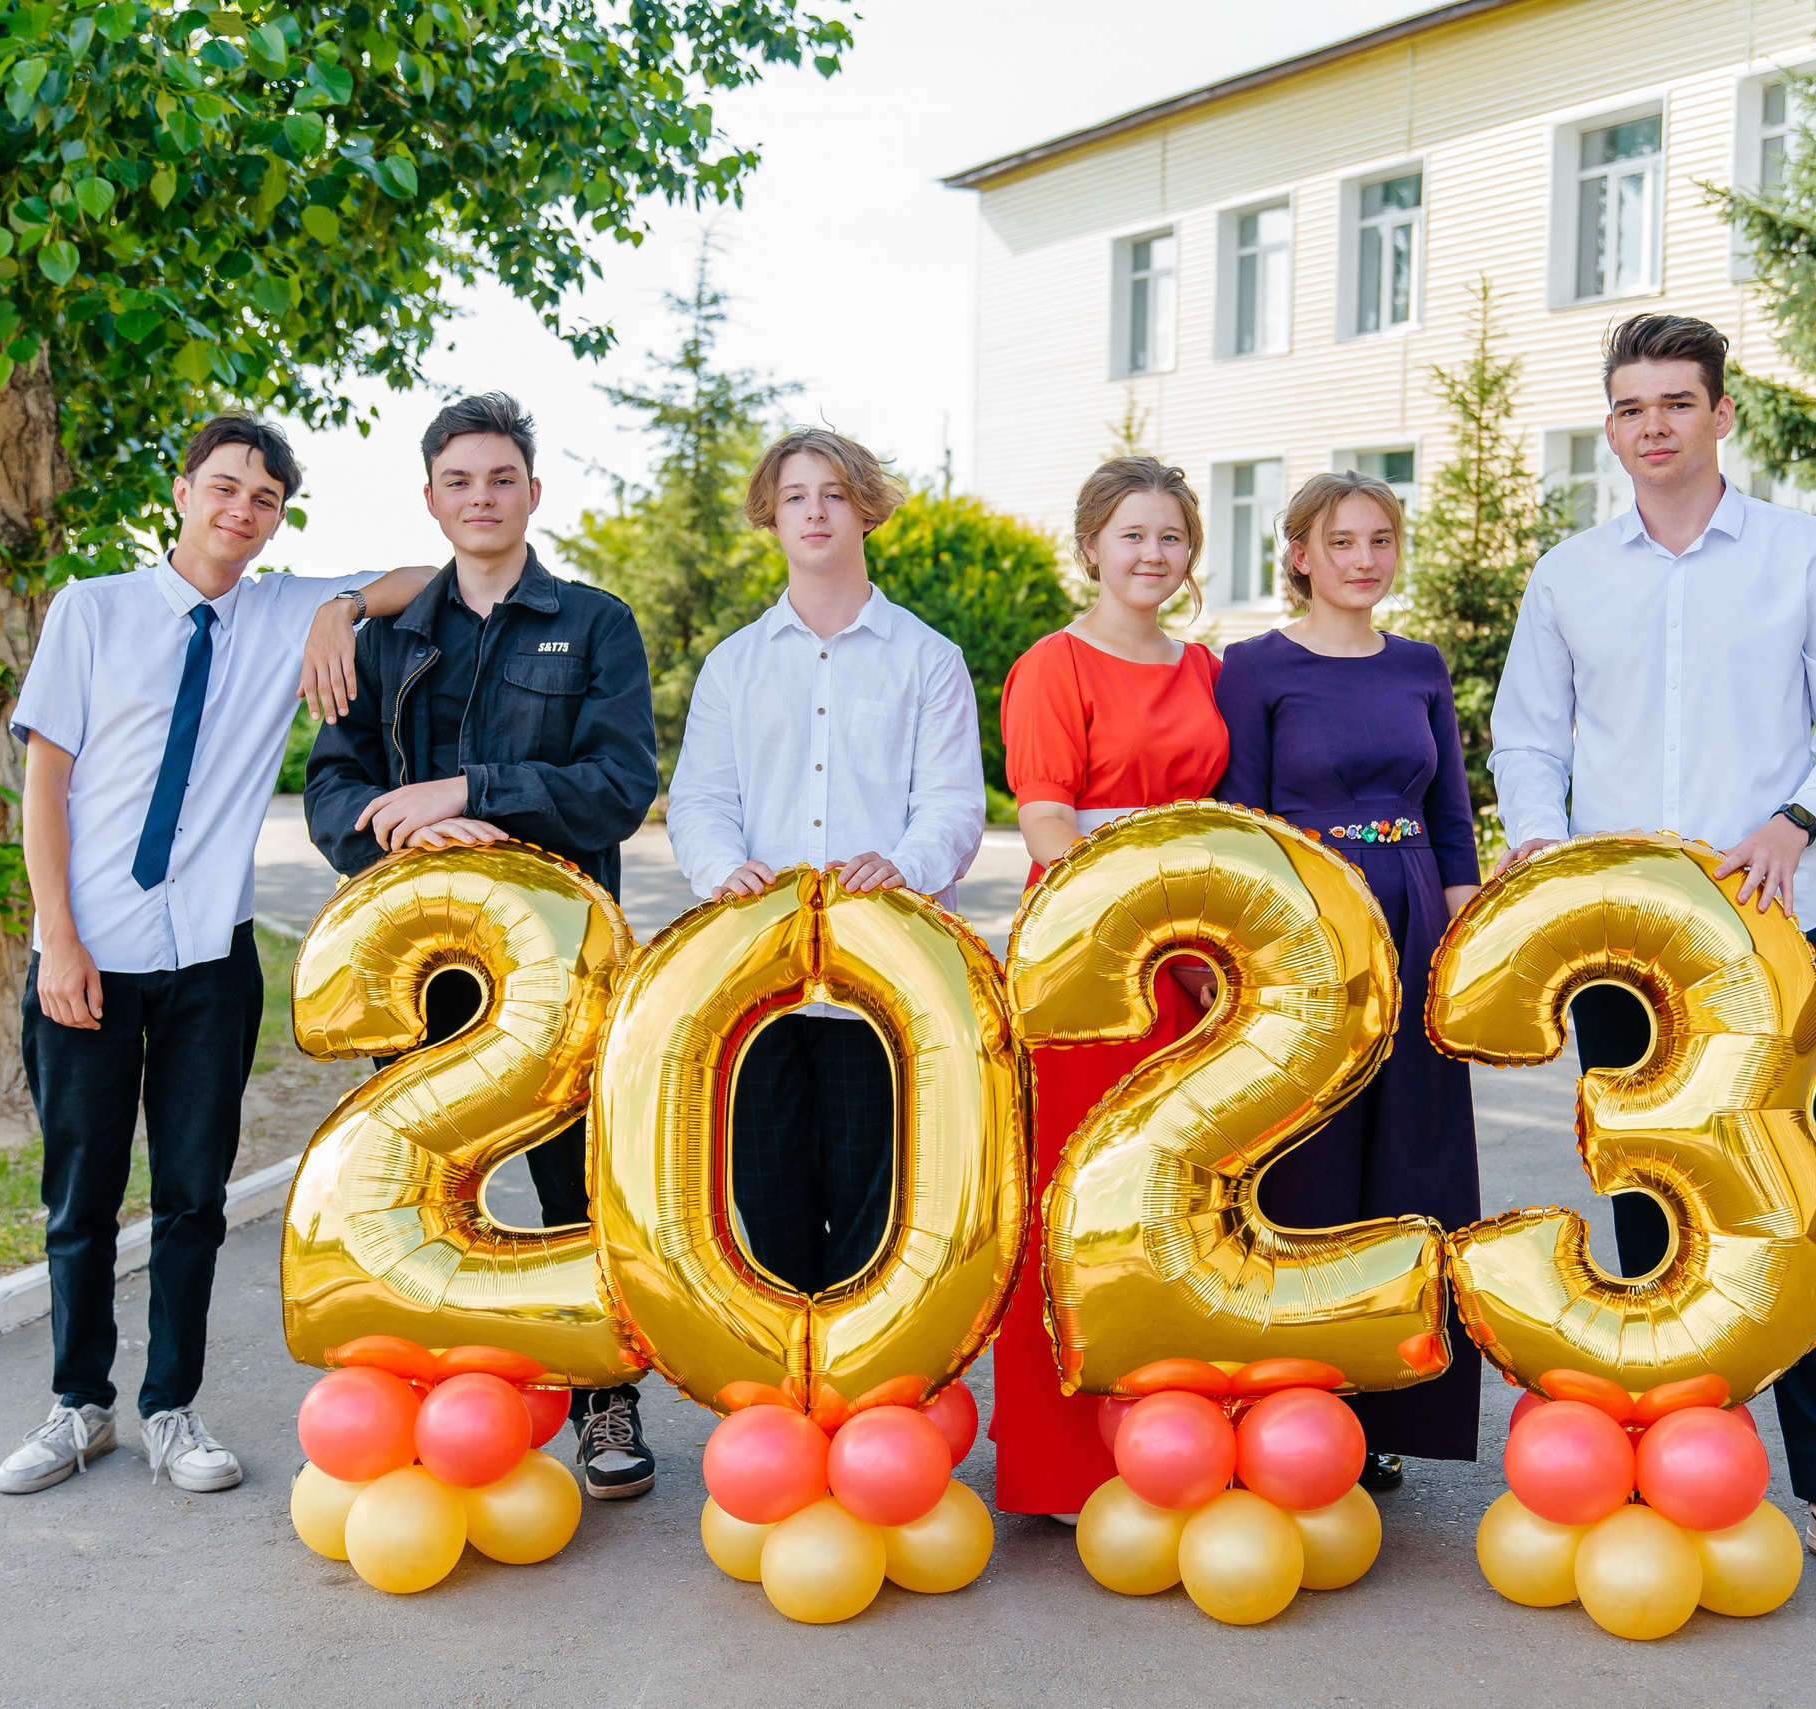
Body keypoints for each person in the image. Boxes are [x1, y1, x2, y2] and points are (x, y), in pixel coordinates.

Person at [1488, 311, 1816, 1601]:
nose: (1655, 424)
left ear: (1720, 414)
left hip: (1771, 939)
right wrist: (1543, 846)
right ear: (1610, 424)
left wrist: (1797, 818)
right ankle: (1663, 1458)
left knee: (1815, 1210)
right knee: (1652, 1206)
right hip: (1626, 951)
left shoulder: (1809, 558)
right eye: (1632, 405)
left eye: (1677, 402)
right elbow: (1528, 736)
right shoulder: (1569, 576)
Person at [0, 417, 436, 1496]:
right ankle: (77, 1402)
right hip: (88, 950)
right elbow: (43, 785)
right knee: (82, 1195)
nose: (242, 511)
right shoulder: (93, 610)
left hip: (208, 961)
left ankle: (169, 1408)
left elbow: (422, 576)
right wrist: (58, 934)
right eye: (226, 488)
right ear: (183, 490)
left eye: (266, 499)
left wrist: (336, 603)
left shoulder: (286, 609)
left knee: (193, 1195)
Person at [304, 393, 661, 1498]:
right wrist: (400, 824)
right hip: (420, 970)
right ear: (430, 499)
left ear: (533, 492)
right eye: (458, 480)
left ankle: (605, 1401)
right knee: (407, 1194)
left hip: (559, 970)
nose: (481, 497)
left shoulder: (595, 622)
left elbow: (619, 787)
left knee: (575, 1185)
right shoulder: (384, 635)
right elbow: (332, 788)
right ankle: (414, 1393)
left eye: (501, 478)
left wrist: (473, 792)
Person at [665, 428, 985, 1296]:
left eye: (835, 493)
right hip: (759, 981)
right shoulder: (733, 666)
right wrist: (719, 869)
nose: (815, 510)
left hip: (883, 984)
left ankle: (862, 1396)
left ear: (866, 510)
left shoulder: (929, 658)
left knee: (877, 1204)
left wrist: (906, 864)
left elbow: (955, 805)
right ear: (771, 514)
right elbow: (700, 801)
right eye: (797, 494)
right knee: (764, 1197)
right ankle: (783, 1395)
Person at [1215, 470, 1485, 1494]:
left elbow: (1451, 811)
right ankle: (1294, 1401)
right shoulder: (1250, 669)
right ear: (1299, 555)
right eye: (1341, 541)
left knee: (1411, 1165)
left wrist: (1458, 926)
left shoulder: (1419, 666)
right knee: (1309, 1165)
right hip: (1307, 920)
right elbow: (1238, 816)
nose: (1363, 558)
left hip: (1415, 910)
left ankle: (1386, 1409)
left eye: (1380, 540)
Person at [989, 457, 1229, 1521]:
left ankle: (1169, 1441)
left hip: (1199, 951)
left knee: (1181, 1198)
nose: (1152, 554)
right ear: (1090, 544)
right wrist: (1129, 903)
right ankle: (1059, 1462)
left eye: (1171, 537)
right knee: (1071, 1196)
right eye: (1132, 534)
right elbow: (1046, 817)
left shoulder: (1209, 669)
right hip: (1090, 954)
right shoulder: (1052, 663)